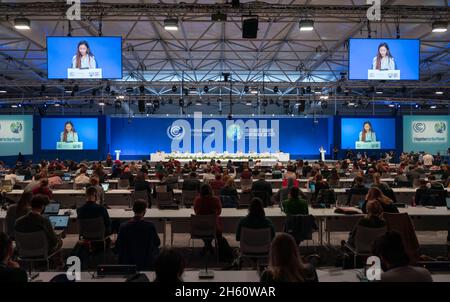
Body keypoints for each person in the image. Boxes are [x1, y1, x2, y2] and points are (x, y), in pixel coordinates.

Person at [114, 200, 160, 270]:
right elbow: (157, 242)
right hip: (146, 262)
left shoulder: (123, 226)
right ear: (145, 211)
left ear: (133, 210)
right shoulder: (150, 226)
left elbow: (118, 246)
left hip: (128, 262)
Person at [193, 184, 222, 255]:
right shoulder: (216, 199)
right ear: (211, 190)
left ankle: (207, 246)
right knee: (217, 230)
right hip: (213, 228)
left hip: (199, 228)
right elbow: (219, 212)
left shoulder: (197, 200)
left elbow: (196, 212)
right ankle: (209, 246)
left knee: (205, 231)